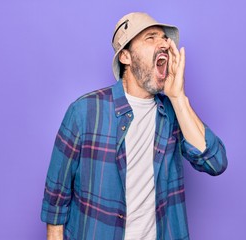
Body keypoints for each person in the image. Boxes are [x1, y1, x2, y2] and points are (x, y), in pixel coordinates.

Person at [41, 12, 228, 240]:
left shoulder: (173, 113)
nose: (164, 44)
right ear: (126, 57)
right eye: (150, 38)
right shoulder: (84, 112)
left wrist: (178, 98)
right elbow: (56, 199)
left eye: (164, 38)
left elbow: (215, 162)